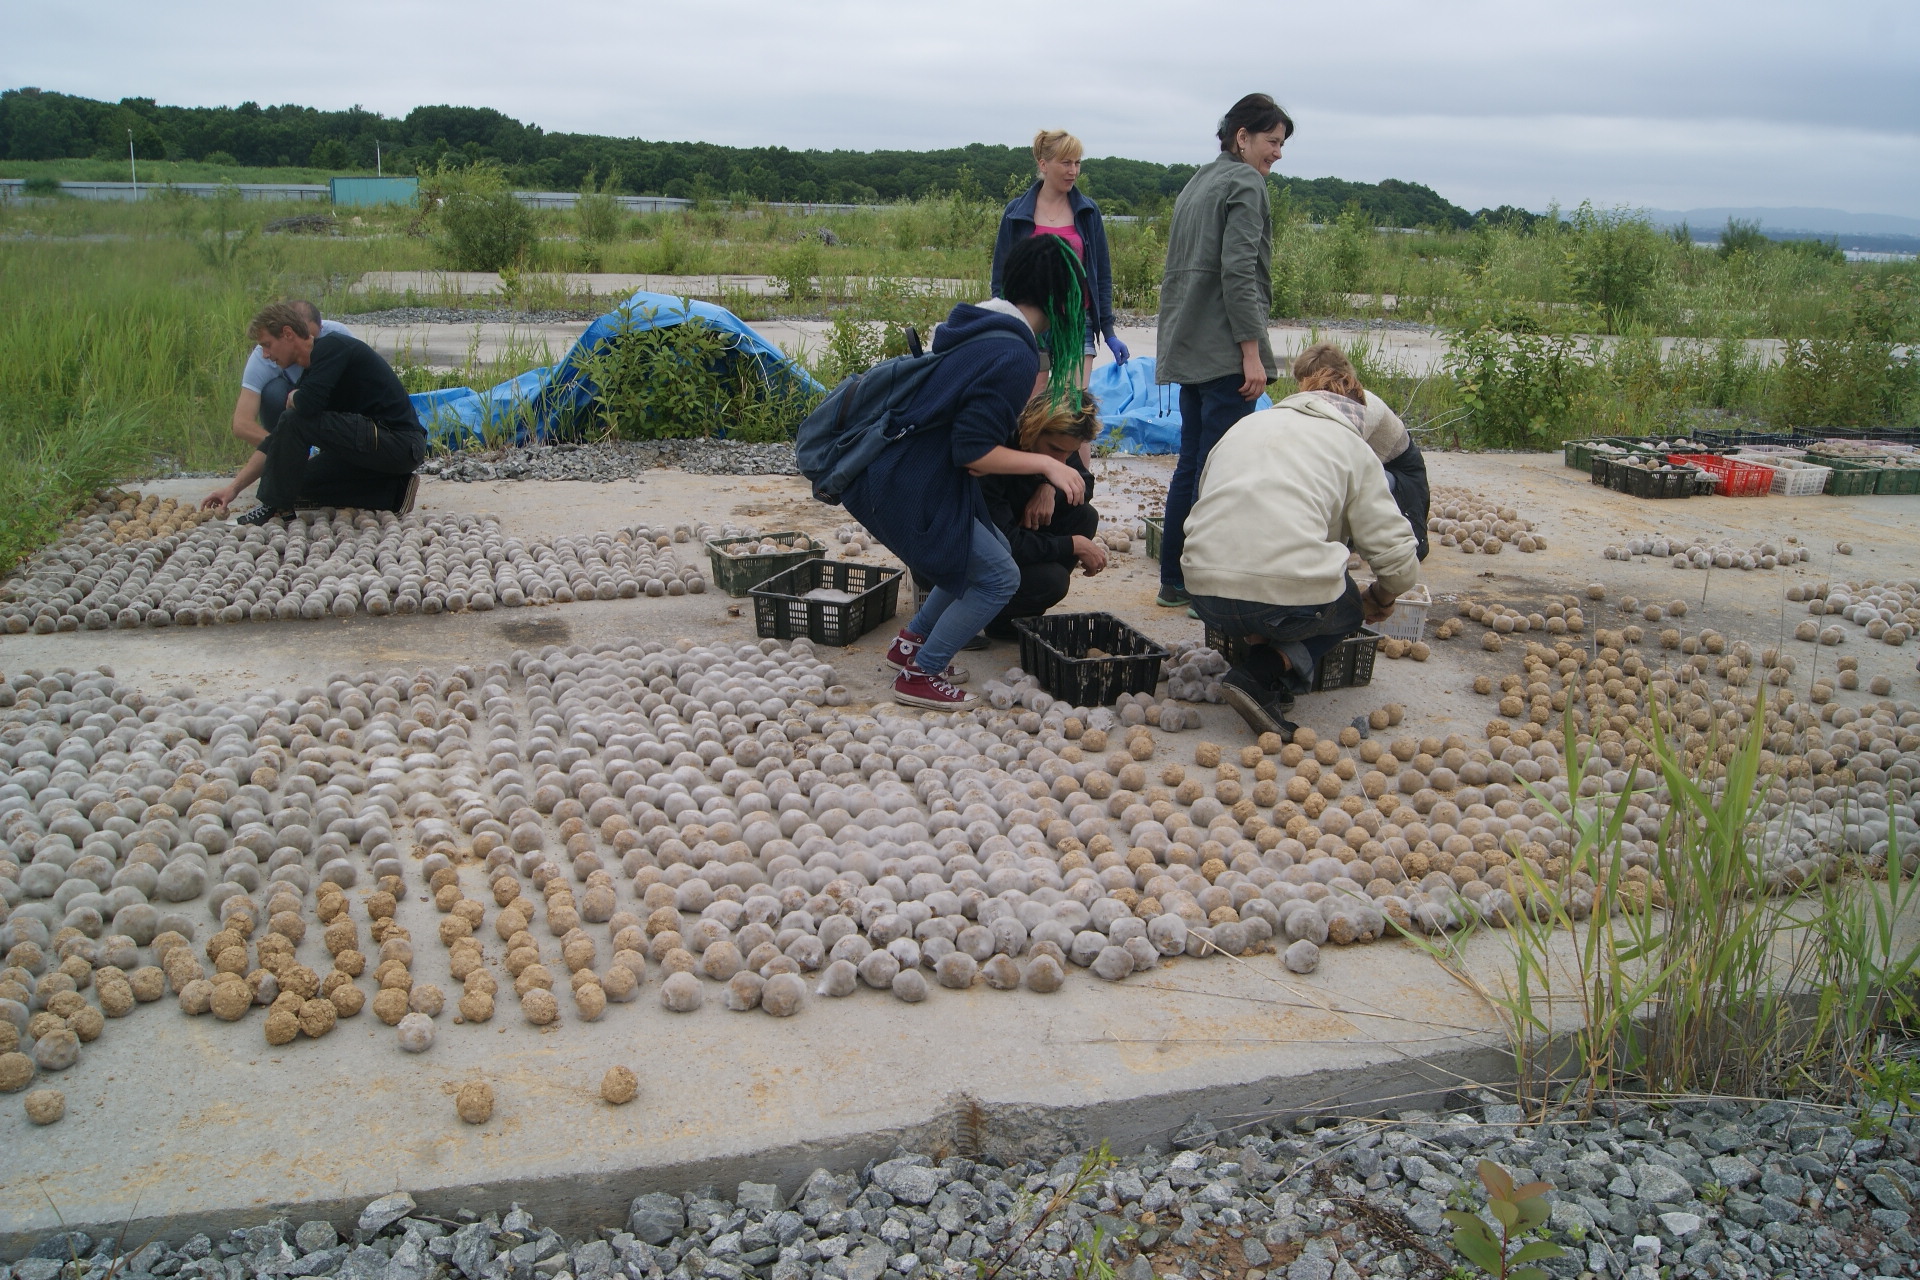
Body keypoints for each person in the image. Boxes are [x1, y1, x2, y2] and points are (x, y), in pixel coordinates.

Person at [844, 235, 1093, 710]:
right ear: (1062, 301)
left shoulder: (984, 323)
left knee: (988, 553)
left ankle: (911, 644)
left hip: (905, 470)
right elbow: (973, 453)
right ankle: (922, 675)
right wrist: (1045, 464)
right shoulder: (1012, 353)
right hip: (912, 479)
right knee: (1000, 577)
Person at [1180, 381, 1422, 740]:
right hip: (1280, 598)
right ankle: (1258, 675)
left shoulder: (1243, 427)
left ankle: (1266, 673)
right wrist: (1380, 598)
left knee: (1275, 576)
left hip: (1204, 593)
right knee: (1346, 601)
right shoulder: (1351, 446)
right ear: (1356, 412)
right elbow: (1399, 563)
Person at [1154, 93, 1294, 610]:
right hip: (1222, 354)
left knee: (1191, 464)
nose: (1277, 154)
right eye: (1272, 142)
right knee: (1220, 473)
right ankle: (1204, 589)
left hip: (1189, 346)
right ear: (1243, 137)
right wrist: (1252, 354)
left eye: (1281, 145)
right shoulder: (1244, 182)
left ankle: (1174, 579)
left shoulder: (1199, 180)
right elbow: (1240, 275)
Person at [203, 302, 428, 524]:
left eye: (267, 344)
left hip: (399, 442)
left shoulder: (333, 347)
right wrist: (232, 489)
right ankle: (394, 492)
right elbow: (280, 437)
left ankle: (275, 507)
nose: (265, 354)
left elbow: (305, 407)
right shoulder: (312, 373)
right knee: (295, 482)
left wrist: (294, 397)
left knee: (295, 418)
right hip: (372, 446)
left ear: (288, 334)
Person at [990, 130, 1126, 388]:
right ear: (1044, 165)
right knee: (1030, 411)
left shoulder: (1087, 212)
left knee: (1072, 412)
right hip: (1029, 322)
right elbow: (1000, 278)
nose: (1073, 170)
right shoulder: (1016, 212)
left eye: (1077, 163)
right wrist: (1006, 326)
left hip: (1076, 320)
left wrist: (1108, 331)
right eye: (1065, 163)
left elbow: (1102, 276)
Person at [977, 393, 1108, 640]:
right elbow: (1005, 544)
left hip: (1016, 532)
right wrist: (1072, 545)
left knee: (1084, 516)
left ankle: (1016, 612)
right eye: (1055, 450)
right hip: (981, 549)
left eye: (1067, 453)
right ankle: (995, 616)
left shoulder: (1058, 445)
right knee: (1053, 581)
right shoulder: (995, 452)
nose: (1060, 460)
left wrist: (1049, 484)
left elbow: (1084, 484)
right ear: (1033, 429)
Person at [1289, 343, 1430, 559]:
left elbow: (1340, 464)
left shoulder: (1362, 406)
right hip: (1368, 465)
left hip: (1397, 476)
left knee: (1342, 482)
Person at [231, 300, 352, 448]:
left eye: (311, 337)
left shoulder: (337, 335)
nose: (308, 343)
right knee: (274, 392)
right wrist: (282, 447)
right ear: (287, 334)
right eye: (299, 337)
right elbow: (241, 423)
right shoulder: (264, 355)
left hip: (334, 407)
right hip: (296, 406)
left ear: (321, 327)